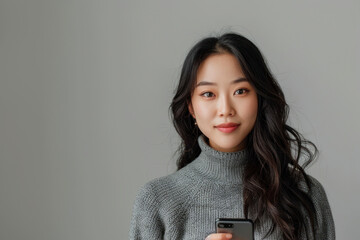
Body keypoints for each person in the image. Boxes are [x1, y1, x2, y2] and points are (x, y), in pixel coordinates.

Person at [129, 32, 335, 240]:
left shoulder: (305, 195)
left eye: (240, 91)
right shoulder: (157, 200)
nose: (225, 109)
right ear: (191, 107)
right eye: (208, 94)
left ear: (260, 99)